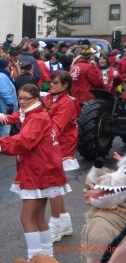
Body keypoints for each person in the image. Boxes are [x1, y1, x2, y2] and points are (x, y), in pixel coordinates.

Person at [0, 83, 70, 260]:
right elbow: (20, 119)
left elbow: (24, 141)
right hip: (44, 169)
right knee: (38, 217)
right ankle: (46, 256)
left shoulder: (36, 118)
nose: (22, 102)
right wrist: (2, 118)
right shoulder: (35, 114)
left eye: (26, 98)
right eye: (20, 98)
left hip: (39, 171)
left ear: (37, 98)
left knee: (26, 217)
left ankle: (34, 257)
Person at [43, 71, 81, 243]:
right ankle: (65, 224)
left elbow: (56, 127)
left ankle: (56, 227)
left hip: (61, 147)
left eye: (55, 82)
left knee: (54, 187)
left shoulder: (67, 102)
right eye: (51, 82)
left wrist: (37, 138)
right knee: (55, 186)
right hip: (51, 145)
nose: (51, 85)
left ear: (65, 85)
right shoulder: (50, 99)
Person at [81, 155, 126, 263]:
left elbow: (97, 257)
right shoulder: (121, 210)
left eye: (89, 188)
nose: (83, 190)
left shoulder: (99, 226)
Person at [0, 59, 18, 140]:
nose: (8, 68)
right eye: (7, 66)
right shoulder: (3, 77)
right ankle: (2, 147)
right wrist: (10, 105)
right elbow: (5, 93)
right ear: (4, 67)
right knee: (5, 128)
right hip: (5, 108)